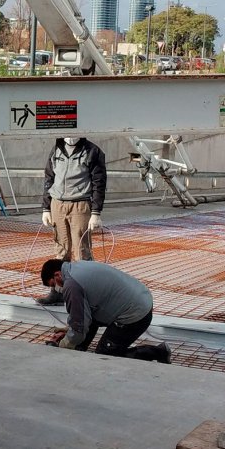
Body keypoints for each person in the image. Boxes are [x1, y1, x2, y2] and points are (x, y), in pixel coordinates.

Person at [39, 258, 171, 363]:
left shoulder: (71, 285)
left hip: (135, 316)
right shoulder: (76, 267)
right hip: (141, 300)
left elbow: (79, 326)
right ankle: (79, 347)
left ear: (57, 274)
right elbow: (82, 315)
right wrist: (69, 331)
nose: (56, 289)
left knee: (106, 354)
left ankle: (160, 352)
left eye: (53, 285)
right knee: (85, 324)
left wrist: (64, 344)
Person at [38, 135, 107, 304]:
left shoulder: (93, 151)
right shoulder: (56, 149)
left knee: (82, 252)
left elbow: (99, 182)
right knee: (61, 250)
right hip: (57, 204)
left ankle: (87, 295)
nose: (70, 137)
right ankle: (59, 293)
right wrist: (46, 208)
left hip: (80, 205)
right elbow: (49, 178)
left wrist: (96, 212)